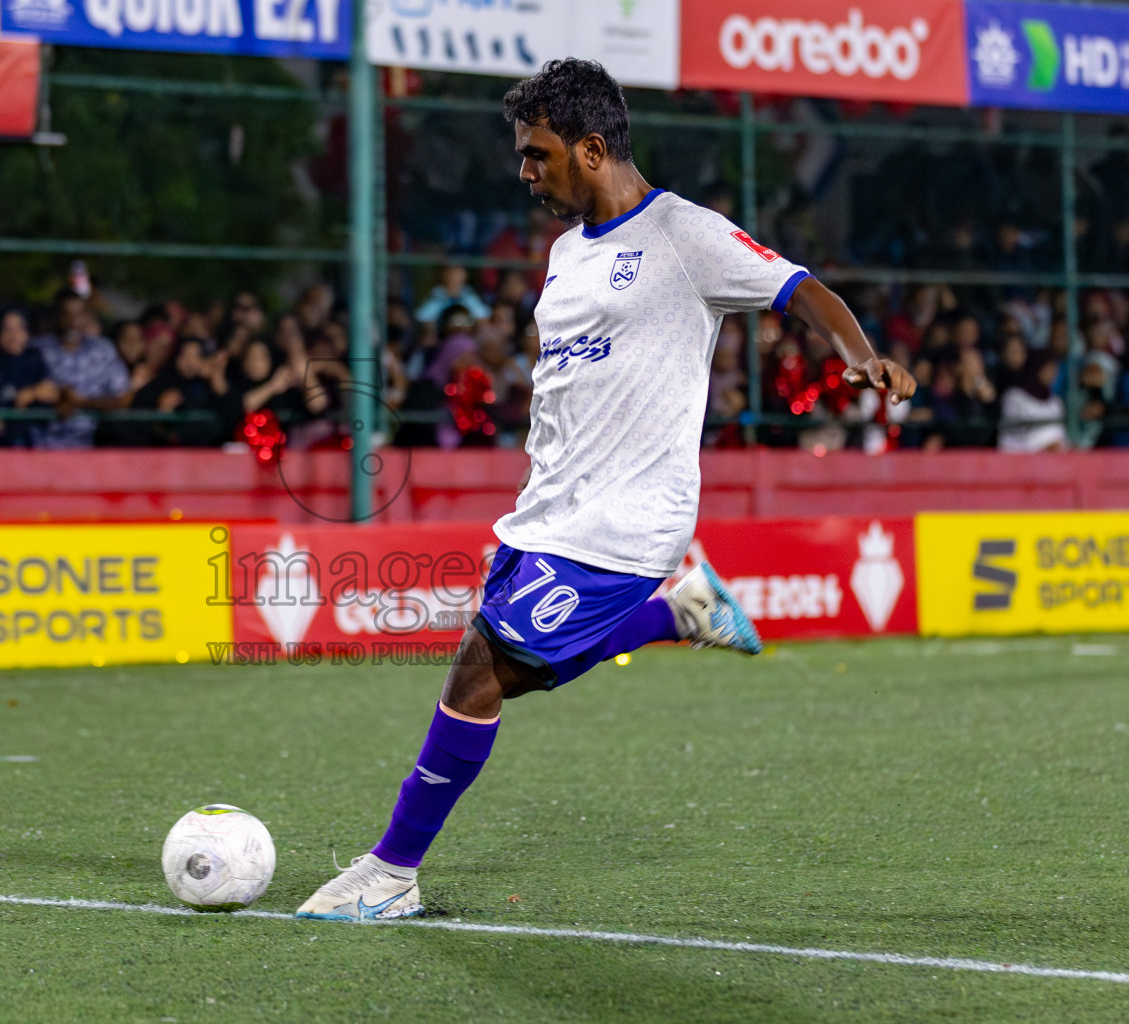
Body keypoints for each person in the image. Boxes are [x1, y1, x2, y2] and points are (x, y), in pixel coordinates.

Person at [296, 59, 916, 921]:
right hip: (546, 512)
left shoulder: (683, 235)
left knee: (480, 672)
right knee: (523, 670)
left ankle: (390, 873)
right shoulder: (563, 255)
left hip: (626, 520)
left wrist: (856, 354)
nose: (525, 172)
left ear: (591, 148)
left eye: (537, 154)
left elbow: (798, 286)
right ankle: (682, 612)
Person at [33, 290, 132, 448]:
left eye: (79, 314)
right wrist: (57, 397)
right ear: (56, 316)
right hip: (41, 447)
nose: (73, 321)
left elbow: (123, 398)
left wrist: (82, 402)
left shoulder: (103, 350)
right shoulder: (37, 350)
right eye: (67, 314)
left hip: (91, 448)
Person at [0, 309, 58, 447]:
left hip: (32, 439)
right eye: (8, 329)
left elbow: (51, 392)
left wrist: (30, 393)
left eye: (19, 328)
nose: (14, 335)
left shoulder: (34, 357)